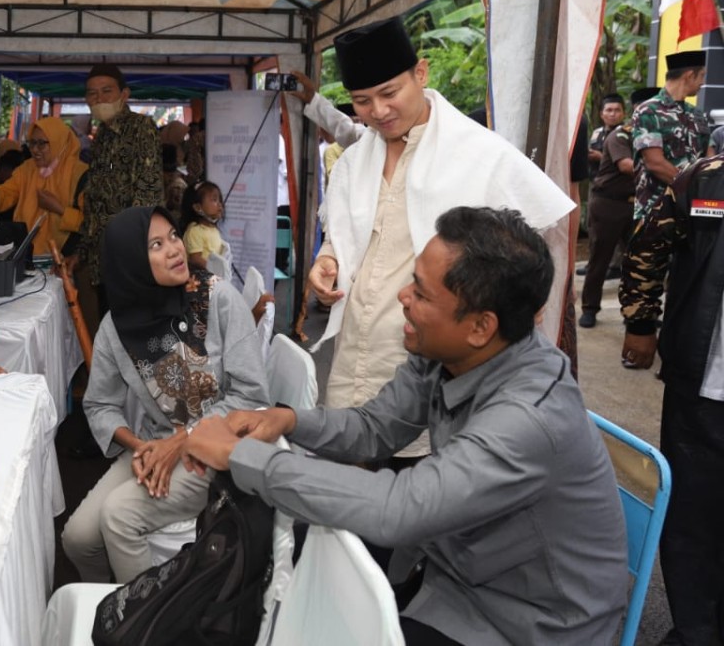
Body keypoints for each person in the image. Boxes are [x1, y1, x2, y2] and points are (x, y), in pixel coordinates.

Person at [187, 206, 629, 646]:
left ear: (480, 326)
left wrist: (240, 456)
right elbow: (376, 426)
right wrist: (288, 418)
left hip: (527, 622)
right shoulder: (452, 353)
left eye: (420, 292)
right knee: (299, 551)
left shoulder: (528, 418)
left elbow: (398, 508)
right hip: (455, 564)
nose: (402, 297)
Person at [307, 17, 573, 460]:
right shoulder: (355, 161)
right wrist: (328, 259)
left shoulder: (479, 153)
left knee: (420, 484)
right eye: (361, 101)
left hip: (430, 357)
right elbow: (343, 233)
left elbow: (537, 243)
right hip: (357, 347)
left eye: (390, 93)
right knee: (351, 465)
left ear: (421, 73)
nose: (378, 111)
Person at [60, 206, 268, 584]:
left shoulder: (218, 299)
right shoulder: (116, 326)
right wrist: (141, 446)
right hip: (153, 446)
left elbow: (253, 395)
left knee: (120, 518)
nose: (174, 249)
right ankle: (110, 601)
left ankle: (147, 620)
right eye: (156, 244)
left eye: (173, 236)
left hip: (218, 453)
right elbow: (100, 404)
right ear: (131, 262)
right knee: (77, 539)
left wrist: (181, 441)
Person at [620, 153, 724, 646]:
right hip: (704, 383)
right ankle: (695, 630)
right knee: (693, 516)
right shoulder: (706, 180)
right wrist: (641, 323)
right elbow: (648, 246)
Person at [71, 64, 163, 337]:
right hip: (103, 260)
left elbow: (148, 194)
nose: (98, 98)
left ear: (124, 94)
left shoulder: (141, 129)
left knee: (137, 340)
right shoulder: (101, 138)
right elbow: (97, 203)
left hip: (130, 260)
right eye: (92, 93)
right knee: (114, 339)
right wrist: (83, 251)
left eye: (106, 91)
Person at [0, 117, 88, 257]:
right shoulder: (28, 169)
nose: (35, 150)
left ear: (58, 142)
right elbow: (5, 194)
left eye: (41, 144)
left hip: (67, 259)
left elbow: (91, 224)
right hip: (27, 254)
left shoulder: (80, 174)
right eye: (32, 143)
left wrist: (59, 209)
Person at [631, 49, 711, 223]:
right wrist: (690, 190)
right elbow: (655, 163)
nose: (703, 82)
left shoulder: (697, 115)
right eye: (702, 75)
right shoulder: (648, 111)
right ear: (689, 76)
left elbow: (709, 158)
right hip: (656, 211)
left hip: (694, 212)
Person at [579, 94, 633, 328]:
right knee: (598, 259)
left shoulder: (631, 134)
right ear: (601, 113)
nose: (612, 114)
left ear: (624, 112)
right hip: (606, 201)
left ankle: (637, 312)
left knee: (636, 262)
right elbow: (623, 165)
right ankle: (590, 308)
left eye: (617, 110)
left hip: (632, 202)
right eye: (608, 110)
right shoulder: (601, 134)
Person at [182, 180, 227, 272]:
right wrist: (215, 269)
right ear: (198, 208)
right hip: (202, 280)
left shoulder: (213, 229)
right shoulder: (195, 231)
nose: (219, 204)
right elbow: (195, 259)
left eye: (220, 200)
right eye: (214, 200)